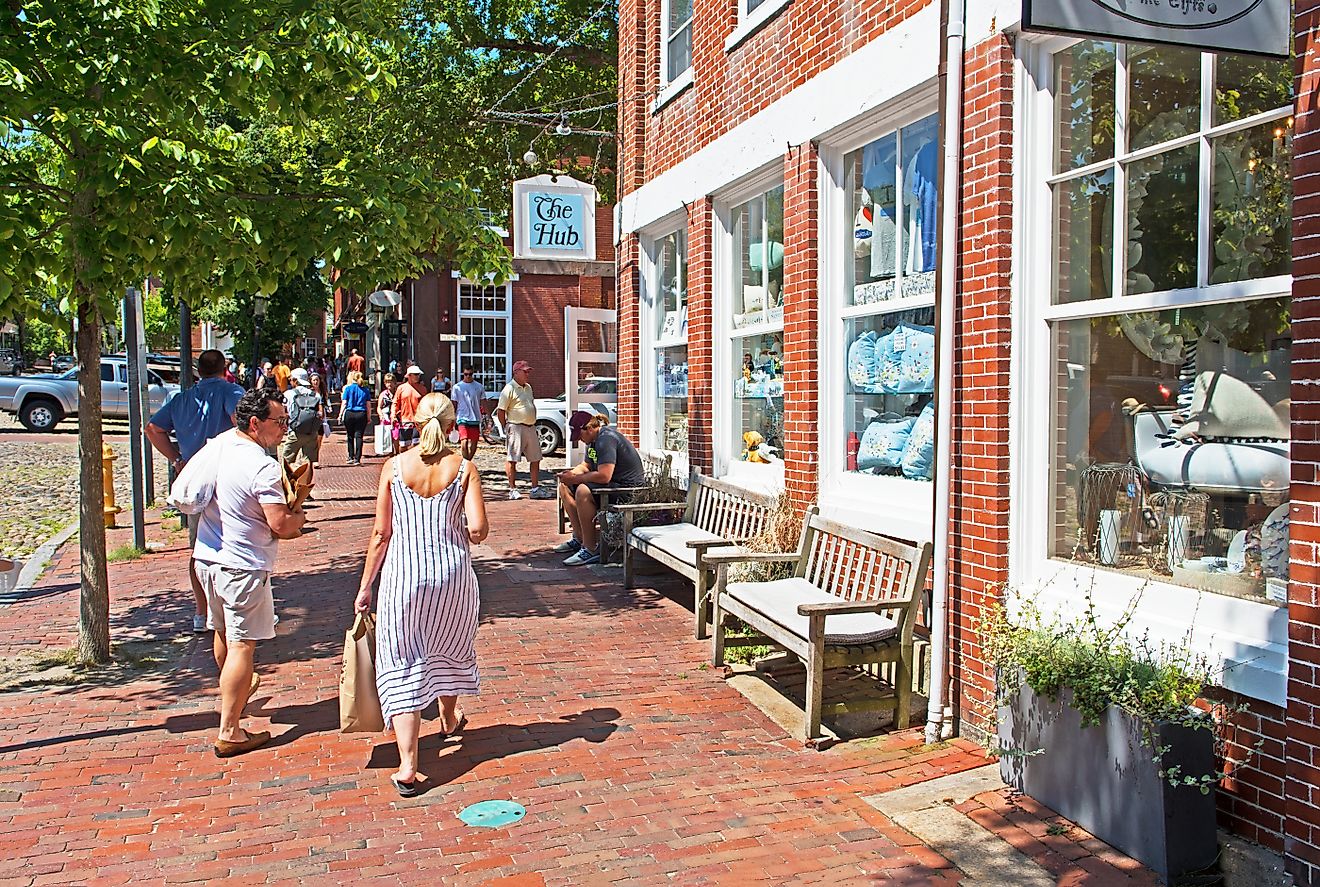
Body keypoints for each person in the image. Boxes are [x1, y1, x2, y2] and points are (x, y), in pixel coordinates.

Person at [355, 393, 488, 795]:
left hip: (403, 577)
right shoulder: (465, 468)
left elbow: (381, 534)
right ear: (452, 425)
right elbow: (479, 529)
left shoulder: (394, 468)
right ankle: (448, 718)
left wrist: (365, 588)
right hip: (451, 576)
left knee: (403, 659)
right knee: (447, 645)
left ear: (414, 422)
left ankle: (409, 765)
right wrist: (454, 534)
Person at [195, 388, 307, 757]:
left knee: (223, 632)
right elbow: (280, 524)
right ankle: (230, 729)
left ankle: (235, 703)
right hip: (242, 564)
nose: (284, 429)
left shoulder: (222, 448)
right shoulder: (261, 465)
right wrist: (299, 515)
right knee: (243, 645)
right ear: (255, 423)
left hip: (208, 559)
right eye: (279, 422)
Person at [145, 348, 245, 632]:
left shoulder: (182, 399)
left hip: (193, 479)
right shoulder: (230, 391)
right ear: (224, 368)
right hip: (225, 476)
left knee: (199, 548)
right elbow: (241, 418)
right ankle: (229, 608)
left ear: (198, 371)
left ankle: (201, 612)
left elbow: (153, 428)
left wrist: (177, 459)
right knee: (234, 542)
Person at [556, 411, 646, 565]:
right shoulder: (592, 440)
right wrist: (570, 475)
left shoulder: (606, 439)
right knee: (564, 487)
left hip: (627, 491)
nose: (580, 440)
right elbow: (586, 466)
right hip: (611, 487)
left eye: (580, 435)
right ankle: (579, 538)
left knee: (582, 491)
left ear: (589, 429)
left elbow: (605, 475)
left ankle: (590, 549)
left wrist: (577, 479)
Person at [495, 360, 554, 500]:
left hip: (530, 427)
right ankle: (512, 489)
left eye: (528, 371)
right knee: (512, 458)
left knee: (536, 458)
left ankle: (534, 488)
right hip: (516, 427)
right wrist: (507, 427)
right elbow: (501, 411)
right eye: (525, 371)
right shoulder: (509, 389)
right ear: (516, 372)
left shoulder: (528, 387)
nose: (528, 374)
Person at [281, 368, 323, 489]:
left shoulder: (289, 394)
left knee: (286, 459)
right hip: (311, 431)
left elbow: (284, 412)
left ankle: (288, 487)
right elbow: (321, 414)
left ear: (295, 380)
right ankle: (305, 490)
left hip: (295, 431)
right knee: (308, 460)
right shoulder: (315, 394)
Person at [451, 365, 485, 461]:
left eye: (470, 374)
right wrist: (452, 417)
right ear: (463, 374)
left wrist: (487, 415)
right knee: (464, 441)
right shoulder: (457, 387)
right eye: (466, 374)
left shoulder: (478, 387)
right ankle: (466, 462)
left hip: (475, 417)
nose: (468, 376)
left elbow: (483, 401)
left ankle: (468, 461)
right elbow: (454, 403)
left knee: (474, 442)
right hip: (462, 417)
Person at [338, 370, 373, 465]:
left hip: (349, 413)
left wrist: (340, 414)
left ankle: (350, 456)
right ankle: (357, 458)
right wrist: (369, 417)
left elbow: (344, 403)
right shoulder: (365, 390)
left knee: (350, 436)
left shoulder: (348, 389)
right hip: (361, 414)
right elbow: (368, 405)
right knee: (359, 436)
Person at [394, 365, 425, 451]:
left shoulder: (422, 389)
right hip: (405, 420)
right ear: (409, 376)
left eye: (418, 374)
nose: (418, 376)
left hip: (418, 420)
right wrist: (393, 415)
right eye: (415, 374)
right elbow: (395, 402)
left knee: (417, 444)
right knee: (403, 444)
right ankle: (402, 461)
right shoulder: (401, 388)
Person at [309, 372, 329, 467]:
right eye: (314, 380)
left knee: (319, 439)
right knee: (312, 439)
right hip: (312, 418)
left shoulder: (322, 392)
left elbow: (325, 403)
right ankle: (313, 459)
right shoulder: (309, 392)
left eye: (317, 380)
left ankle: (315, 457)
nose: (316, 382)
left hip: (321, 419)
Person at [378, 373, 398, 457]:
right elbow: (379, 407)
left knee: (396, 436)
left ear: (394, 383)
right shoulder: (383, 394)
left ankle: (397, 453)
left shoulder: (398, 393)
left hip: (396, 417)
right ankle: (391, 455)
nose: (389, 384)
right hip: (386, 418)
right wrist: (381, 415)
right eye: (387, 382)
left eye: (390, 382)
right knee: (387, 437)